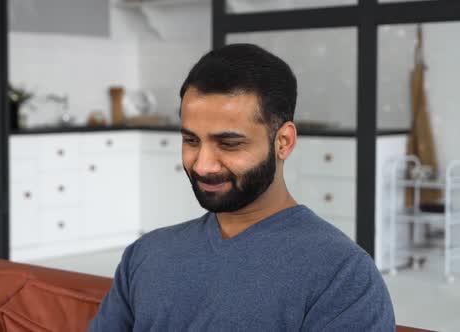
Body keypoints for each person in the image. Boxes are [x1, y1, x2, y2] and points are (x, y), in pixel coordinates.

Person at [89, 44, 395, 331]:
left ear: (283, 142)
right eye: (191, 140)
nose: (203, 165)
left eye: (229, 143)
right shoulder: (146, 254)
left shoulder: (343, 275)